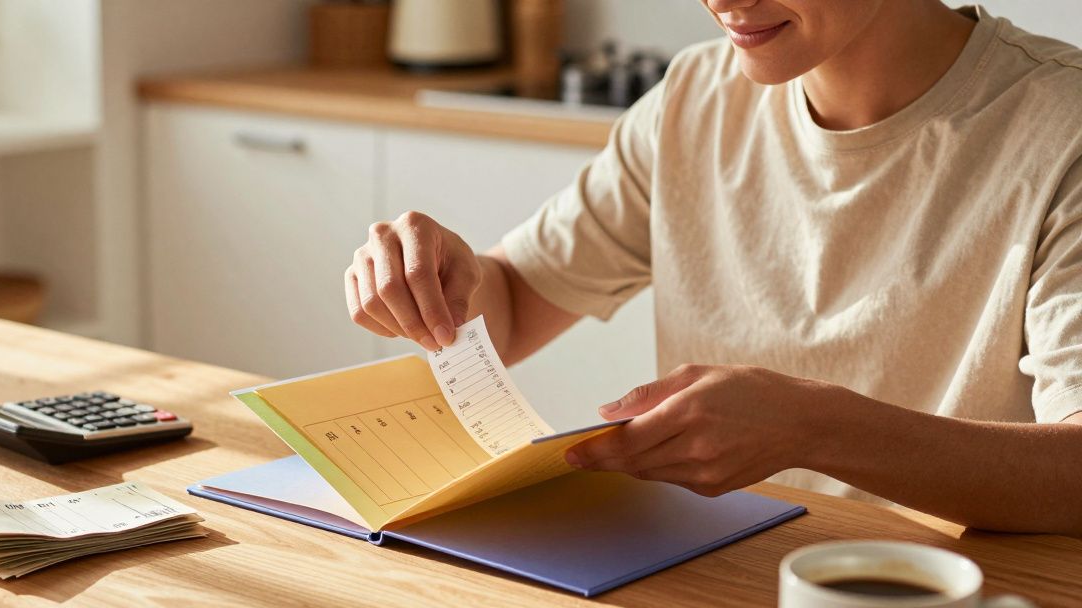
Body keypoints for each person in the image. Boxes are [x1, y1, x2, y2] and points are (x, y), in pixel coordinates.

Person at [342, 1, 1082, 536]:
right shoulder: (694, 97)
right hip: (720, 582)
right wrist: (441, 283)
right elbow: (514, 302)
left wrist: (816, 428)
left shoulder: (1059, 126)